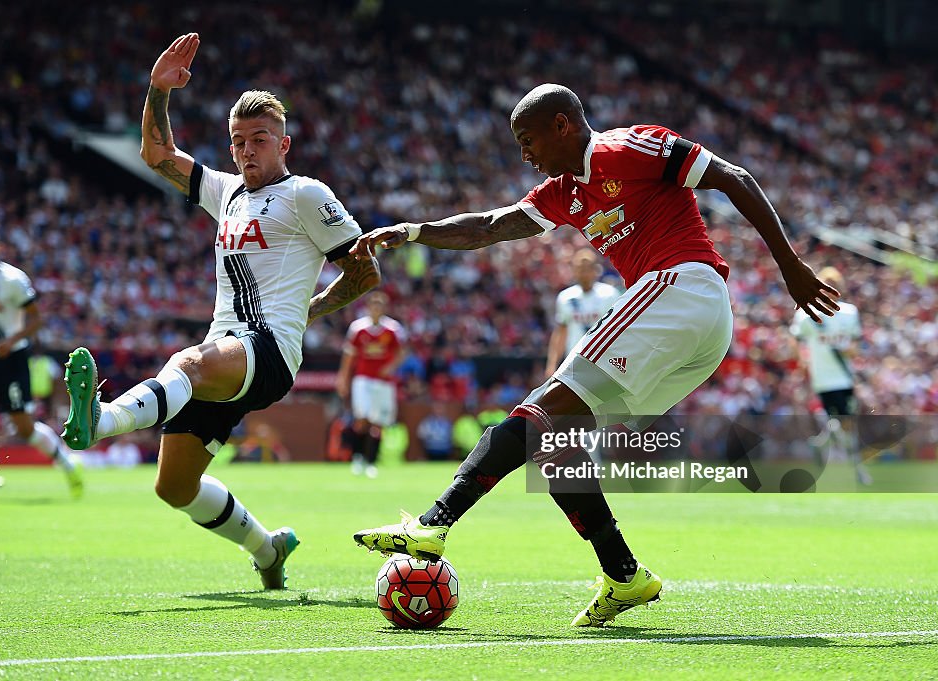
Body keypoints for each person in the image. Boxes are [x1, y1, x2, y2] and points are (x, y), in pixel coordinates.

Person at [351, 83, 839, 627]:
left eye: (528, 140)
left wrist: (790, 266)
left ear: (563, 124)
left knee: (534, 413)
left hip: (681, 287)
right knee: (552, 443)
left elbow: (734, 178)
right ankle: (625, 575)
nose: (525, 155)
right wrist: (414, 232)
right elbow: (490, 226)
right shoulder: (562, 193)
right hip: (692, 328)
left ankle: (434, 523)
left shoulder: (630, 147)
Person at [61, 33, 380, 590]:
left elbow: (363, 269)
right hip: (225, 353)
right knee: (174, 487)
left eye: (260, 138)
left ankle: (102, 420)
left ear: (285, 144)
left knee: (187, 364)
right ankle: (268, 548)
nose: (248, 149)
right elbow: (158, 155)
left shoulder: (306, 195)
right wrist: (158, 91)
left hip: (268, 352)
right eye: (238, 141)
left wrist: (309, 313)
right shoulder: (226, 192)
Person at [0, 223, 83, 502]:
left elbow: (36, 318)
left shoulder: (14, 279)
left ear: (0, 248)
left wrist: (12, 340)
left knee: (24, 428)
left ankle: (67, 463)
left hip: (12, 359)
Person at [791, 266, 871, 485]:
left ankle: (823, 444)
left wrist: (848, 351)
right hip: (826, 378)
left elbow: (855, 346)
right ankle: (855, 467)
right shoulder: (807, 314)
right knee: (844, 422)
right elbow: (797, 341)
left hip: (843, 375)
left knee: (841, 422)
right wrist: (803, 362)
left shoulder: (848, 312)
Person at [336, 291, 407, 478]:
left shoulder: (393, 329)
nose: (376, 309)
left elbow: (401, 353)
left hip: (384, 383)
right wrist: (343, 378)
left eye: (380, 305)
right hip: (363, 380)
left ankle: (372, 461)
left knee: (379, 423)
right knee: (362, 419)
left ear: (384, 308)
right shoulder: (358, 328)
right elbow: (349, 356)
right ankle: (358, 458)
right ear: (368, 307)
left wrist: (391, 367)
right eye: (373, 305)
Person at [545, 249, 621, 376]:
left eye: (587, 268)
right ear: (574, 270)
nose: (584, 272)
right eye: (580, 268)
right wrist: (552, 364)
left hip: (603, 359)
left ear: (595, 270)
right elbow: (561, 331)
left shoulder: (609, 295)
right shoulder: (566, 297)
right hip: (574, 360)